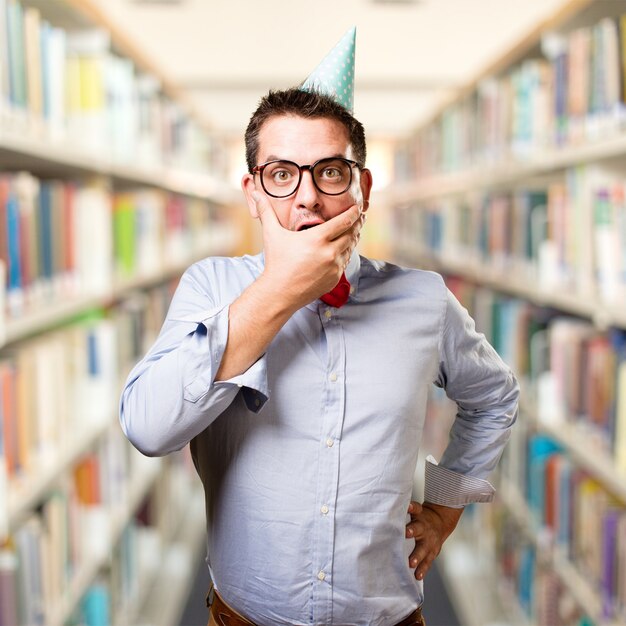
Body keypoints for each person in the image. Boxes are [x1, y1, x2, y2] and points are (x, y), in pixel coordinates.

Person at [119, 29, 519, 626]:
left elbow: (494, 397)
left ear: (362, 189)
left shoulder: (423, 299)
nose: (306, 198)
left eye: (330, 172)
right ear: (253, 193)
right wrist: (279, 291)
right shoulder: (210, 289)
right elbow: (149, 427)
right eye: (282, 174)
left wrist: (445, 508)